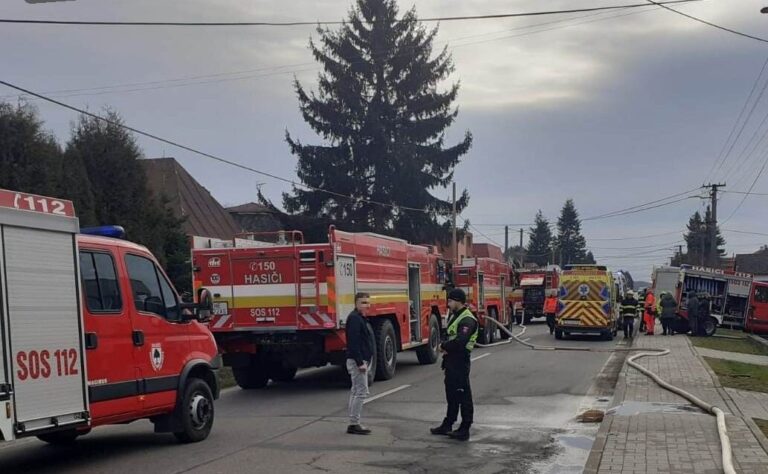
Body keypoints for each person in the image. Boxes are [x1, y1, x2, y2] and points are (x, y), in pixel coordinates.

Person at [430, 288, 479, 441]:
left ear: (458, 301)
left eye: (450, 301)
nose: (448, 304)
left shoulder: (467, 319)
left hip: (460, 361)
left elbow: (460, 341)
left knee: (463, 394)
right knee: (452, 394)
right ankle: (448, 423)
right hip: (452, 361)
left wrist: (444, 346)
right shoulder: (456, 315)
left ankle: (465, 428)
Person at [345, 292, 375, 435]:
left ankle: (353, 422)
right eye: (363, 302)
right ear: (356, 303)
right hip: (358, 361)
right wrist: (359, 362)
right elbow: (353, 342)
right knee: (361, 391)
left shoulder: (359, 318)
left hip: (360, 359)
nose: (366, 305)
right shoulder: (355, 319)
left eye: (367, 302)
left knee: (355, 390)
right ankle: (354, 423)